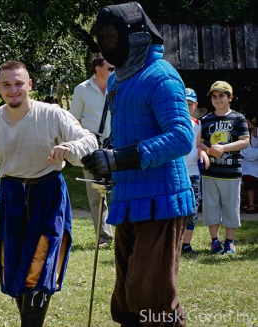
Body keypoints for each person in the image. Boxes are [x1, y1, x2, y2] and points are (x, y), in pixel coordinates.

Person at [82, 3, 194, 325]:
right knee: (126, 300)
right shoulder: (118, 80)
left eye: (112, 36)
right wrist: (105, 158)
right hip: (129, 198)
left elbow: (181, 137)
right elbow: (127, 132)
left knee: (152, 297)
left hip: (162, 199)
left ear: (135, 35)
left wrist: (120, 158)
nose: (106, 43)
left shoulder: (161, 76)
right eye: (102, 37)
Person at [0, 60, 98, 326]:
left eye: (19, 83)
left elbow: (89, 141)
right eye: (6, 84)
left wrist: (69, 147)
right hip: (11, 196)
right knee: (16, 267)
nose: (13, 89)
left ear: (29, 85)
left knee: (39, 266)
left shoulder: (53, 114)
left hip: (48, 194)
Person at [69, 53, 114, 248]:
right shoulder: (82, 89)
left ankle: (127, 233)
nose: (115, 71)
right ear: (98, 69)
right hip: (92, 146)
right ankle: (104, 236)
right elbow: (73, 120)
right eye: (111, 68)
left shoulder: (120, 85)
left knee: (122, 188)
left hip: (118, 144)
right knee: (96, 193)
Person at [199, 81, 249, 254]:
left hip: (231, 172)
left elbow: (245, 141)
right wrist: (209, 150)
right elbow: (201, 143)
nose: (217, 99)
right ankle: (215, 241)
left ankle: (229, 242)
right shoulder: (205, 120)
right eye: (214, 96)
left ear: (230, 97)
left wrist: (223, 148)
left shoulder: (238, 118)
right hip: (210, 173)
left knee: (231, 207)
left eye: (221, 95)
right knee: (211, 206)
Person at [181, 88, 210, 254]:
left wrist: (203, 153)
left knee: (192, 209)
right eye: (183, 103)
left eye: (190, 104)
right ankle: (174, 242)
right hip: (176, 172)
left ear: (195, 105)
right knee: (176, 209)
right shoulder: (170, 122)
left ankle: (186, 244)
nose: (186, 107)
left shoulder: (197, 124)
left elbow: (198, 144)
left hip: (193, 173)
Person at [241, 114, 258, 214]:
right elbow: (246, 153)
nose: (247, 122)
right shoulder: (244, 134)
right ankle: (251, 204)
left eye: (249, 120)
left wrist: (254, 152)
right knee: (248, 171)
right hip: (248, 162)